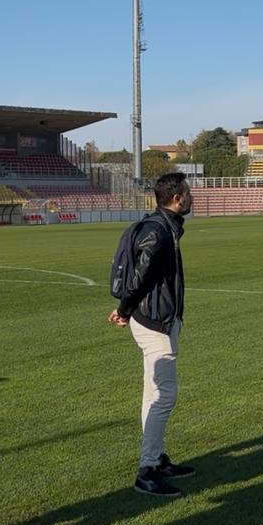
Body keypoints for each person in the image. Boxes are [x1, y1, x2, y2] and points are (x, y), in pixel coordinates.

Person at [108, 171, 195, 496]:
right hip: (154, 320)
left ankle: (155, 458)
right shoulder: (158, 232)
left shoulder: (161, 226)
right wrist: (125, 309)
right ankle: (147, 469)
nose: (191, 198)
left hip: (152, 317)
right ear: (176, 198)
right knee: (164, 394)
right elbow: (140, 277)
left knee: (153, 391)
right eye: (187, 193)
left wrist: (126, 308)